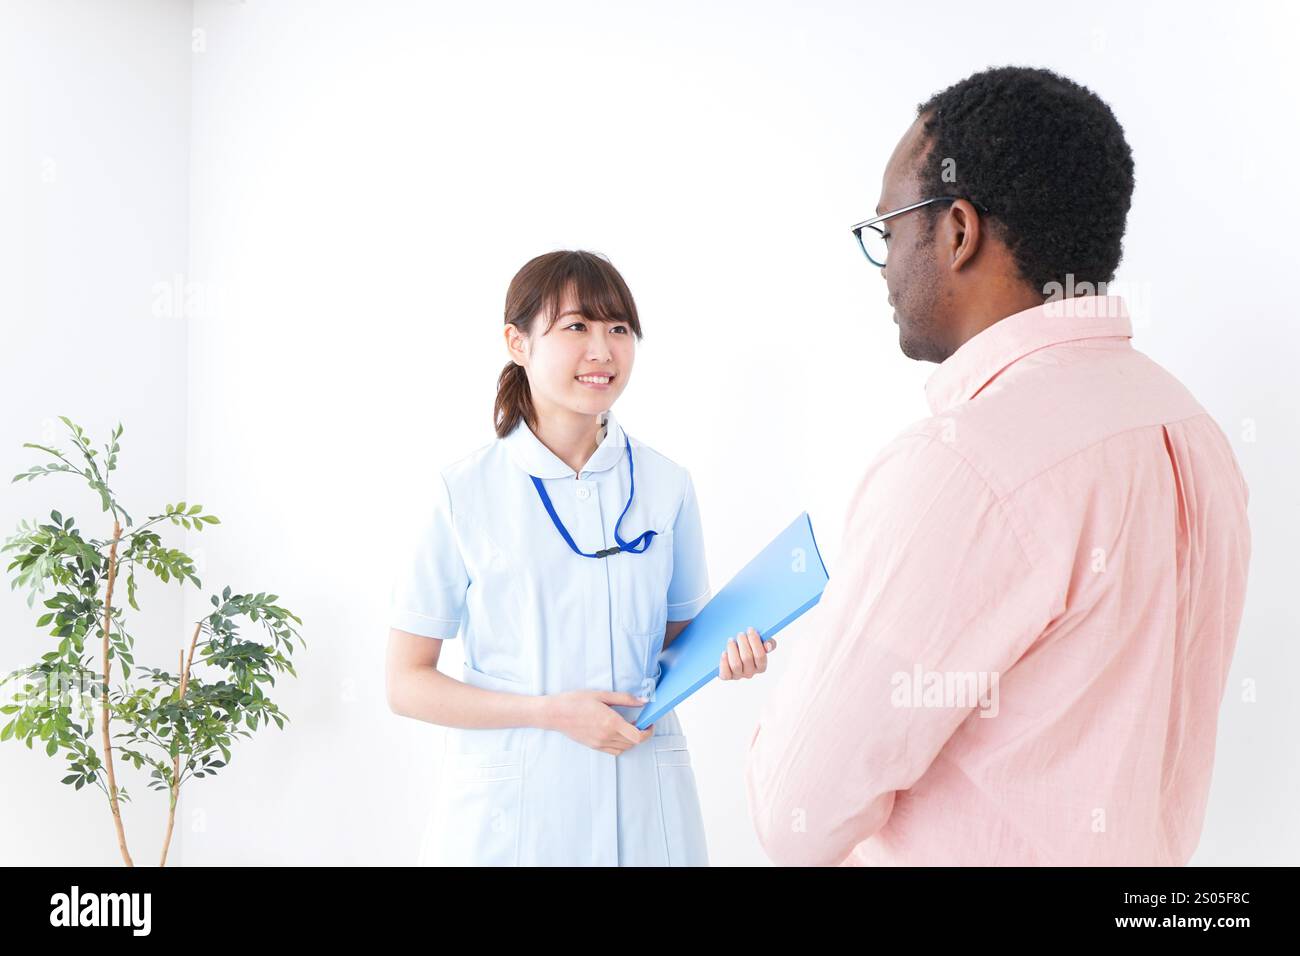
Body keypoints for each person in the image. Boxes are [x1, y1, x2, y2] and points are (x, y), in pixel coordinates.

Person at [745, 66, 1251, 865]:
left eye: (890, 228)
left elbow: (796, 818)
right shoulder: (1190, 429)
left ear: (955, 231)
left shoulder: (963, 466)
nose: (885, 266)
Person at [386, 249, 776, 866]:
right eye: (576, 327)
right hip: (511, 817)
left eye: (618, 329)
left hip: (645, 800)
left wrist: (727, 655)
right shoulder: (464, 492)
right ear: (518, 342)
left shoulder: (666, 483)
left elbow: (680, 645)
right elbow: (406, 682)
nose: (603, 350)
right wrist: (546, 713)